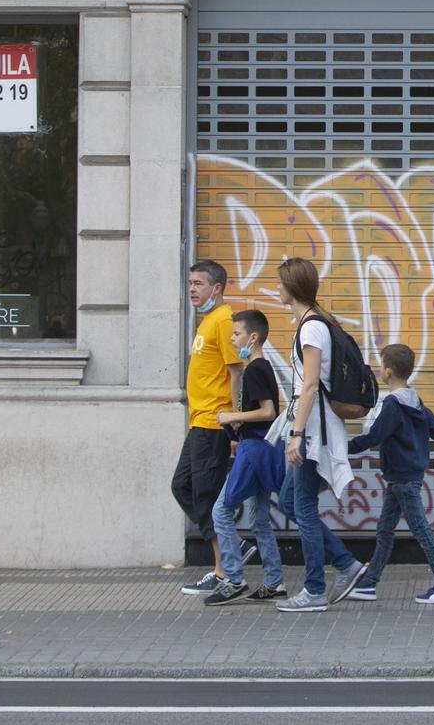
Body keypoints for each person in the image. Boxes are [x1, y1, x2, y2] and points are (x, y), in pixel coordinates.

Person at [346, 343, 434, 605]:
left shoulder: (394, 405)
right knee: (385, 531)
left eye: (381, 365)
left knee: (420, 530)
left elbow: (375, 436)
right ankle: (369, 584)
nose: (380, 369)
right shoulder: (415, 401)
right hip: (401, 478)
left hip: (403, 479)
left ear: (388, 372)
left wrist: (341, 449)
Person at [274, 256, 367, 612]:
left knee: (304, 508)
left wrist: (297, 434)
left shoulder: (312, 327)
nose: (277, 289)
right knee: (289, 501)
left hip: (313, 430)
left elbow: (310, 384)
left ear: (293, 288)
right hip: (311, 426)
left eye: (281, 283)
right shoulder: (313, 322)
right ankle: (346, 564)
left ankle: (314, 590)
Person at [202, 309, 288, 606]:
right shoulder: (258, 368)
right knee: (259, 518)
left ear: (253, 337)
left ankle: (234, 579)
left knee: (221, 512)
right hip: (260, 445)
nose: (233, 339)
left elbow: (268, 411)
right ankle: (274, 582)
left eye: (236, 334)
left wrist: (232, 416)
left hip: (255, 450)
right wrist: (240, 422)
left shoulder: (256, 368)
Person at [176, 259, 245, 596]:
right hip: (198, 421)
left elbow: (236, 372)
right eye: (190, 283)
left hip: (215, 423)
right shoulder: (207, 322)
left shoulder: (223, 320)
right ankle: (231, 549)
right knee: (182, 486)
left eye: (199, 283)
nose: (192, 289)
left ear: (216, 288)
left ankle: (222, 569)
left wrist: (235, 424)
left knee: (205, 497)